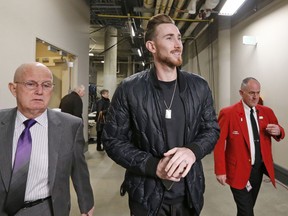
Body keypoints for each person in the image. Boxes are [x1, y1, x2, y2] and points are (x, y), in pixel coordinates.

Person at [102, 14, 220, 216]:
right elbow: (112, 140)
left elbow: (211, 129)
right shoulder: (129, 89)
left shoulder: (199, 86)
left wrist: (193, 151)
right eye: (169, 38)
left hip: (189, 195)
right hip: (146, 197)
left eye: (179, 38)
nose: (178, 44)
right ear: (151, 46)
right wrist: (153, 166)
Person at [0, 62, 94, 216]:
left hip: (45, 209)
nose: (39, 91)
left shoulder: (70, 126)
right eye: (31, 84)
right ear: (13, 88)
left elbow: (79, 169)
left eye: (46, 85)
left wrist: (87, 205)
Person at [214, 77, 285, 216]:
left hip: (257, 170)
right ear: (241, 93)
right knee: (247, 212)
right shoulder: (228, 113)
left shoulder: (266, 112)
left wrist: (279, 131)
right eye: (252, 93)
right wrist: (220, 170)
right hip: (237, 170)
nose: (256, 96)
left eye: (258, 92)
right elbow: (218, 142)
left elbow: (280, 131)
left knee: (247, 208)